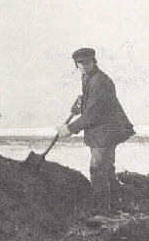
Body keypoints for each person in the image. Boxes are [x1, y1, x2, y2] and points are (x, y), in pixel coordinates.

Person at [56, 48, 135, 214]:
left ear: (94, 61)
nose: (83, 66)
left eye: (86, 62)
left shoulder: (100, 81)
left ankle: (102, 211)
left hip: (106, 132)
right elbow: (93, 106)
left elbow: (94, 114)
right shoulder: (89, 77)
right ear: (76, 64)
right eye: (80, 63)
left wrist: (70, 128)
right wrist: (81, 105)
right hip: (104, 131)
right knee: (106, 169)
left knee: (98, 169)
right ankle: (114, 205)